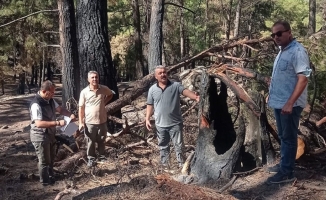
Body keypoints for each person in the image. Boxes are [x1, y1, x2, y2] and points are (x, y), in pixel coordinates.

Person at [267, 20, 311, 184]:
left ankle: (287, 172)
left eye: (279, 33)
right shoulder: (281, 51)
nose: (276, 37)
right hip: (279, 101)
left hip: (289, 105)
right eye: (273, 35)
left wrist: (290, 103)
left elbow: (303, 79)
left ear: (289, 32)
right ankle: (283, 166)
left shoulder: (298, 51)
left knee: (289, 137)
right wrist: (272, 93)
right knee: (284, 136)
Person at [145, 65, 200, 168]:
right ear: (156, 76)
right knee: (163, 146)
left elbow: (186, 92)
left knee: (179, 146)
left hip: (175, 123)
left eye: (164, 72)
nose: (163, 74)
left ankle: (182, 166)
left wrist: (195, 97)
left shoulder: (175, 86)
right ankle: (165, 167)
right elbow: (150, 105)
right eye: (160, 73)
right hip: (160, 124)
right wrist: (147, 118)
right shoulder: (152, 90)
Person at [30, 80, 76, 186]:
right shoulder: (36, 104)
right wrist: (57, 122)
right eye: (51, 92)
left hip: (50, 134)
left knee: (51, 159)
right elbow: (39, 123)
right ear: (44, 91)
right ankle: (45, 182)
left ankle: (51, 176)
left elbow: (60, 110)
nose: (53, 94)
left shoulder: (50, 100)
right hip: (40, 135)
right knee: (44, 160)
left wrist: (70, 115)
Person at [78, 71, 113, 167]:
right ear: (88, 80)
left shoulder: (103, 89)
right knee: (90, 141)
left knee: (102, 140)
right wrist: (81, 122)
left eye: (96, 77)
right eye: (92, 78)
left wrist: (104, 102)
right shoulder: (84, 92)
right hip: (90, 122)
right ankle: (91, 159)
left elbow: (110, 94)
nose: (94, 79)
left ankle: (102, 156)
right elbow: (81, 108)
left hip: (102, 120)